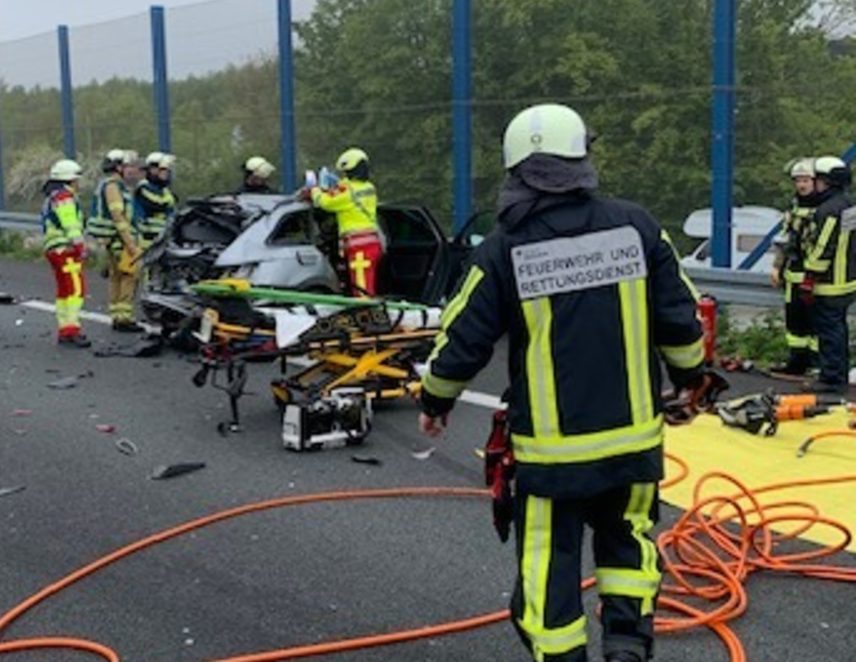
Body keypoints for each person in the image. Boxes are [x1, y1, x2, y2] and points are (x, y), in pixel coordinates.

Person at [417, 103, 706, 662]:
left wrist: (436, 400)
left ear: (516, 168)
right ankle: (627, 650)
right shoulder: (637, 226)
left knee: (549, 565)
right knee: (628, 549)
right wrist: (691, 378)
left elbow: (463, 340)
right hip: (633, 443)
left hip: (553, 458)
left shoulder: (505, 246)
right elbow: (682, 321)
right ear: (581, 161)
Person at [800, 155, 855, 394]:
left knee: (829, 330)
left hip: (829, 282)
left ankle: (831, 378)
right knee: (839, 329)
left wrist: (810, 278)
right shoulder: (849, 206)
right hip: (848, 280)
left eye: (819, 180)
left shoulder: (828, 210)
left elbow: (823, 248)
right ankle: (838, 372)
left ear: (828, 182)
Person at [769, 157, 819, 377]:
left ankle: (817, 364)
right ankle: (797, 363)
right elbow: (785, 239)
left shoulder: (826, 209)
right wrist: (776, 267)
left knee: (816, 323)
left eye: (806, 180)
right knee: (795, 322)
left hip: (816, 276)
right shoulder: (794, 207)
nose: (801, 185)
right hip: (793, 275)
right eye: (798, 180)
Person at [309, 148, 382, 296]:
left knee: (362, 289)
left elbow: (325, 203)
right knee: (366, 283)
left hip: (359, 245)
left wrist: (314, 189)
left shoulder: (347, 192)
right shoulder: (369, 188)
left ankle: (366, 315)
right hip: (372, 243)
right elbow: (346, 190)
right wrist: (337, 185)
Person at [87, 149, 145, 332]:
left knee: (116, 276)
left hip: (112, 239)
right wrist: (131, 245)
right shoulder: (114, 186)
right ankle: (124, 318)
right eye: (126, 166)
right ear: (118, 167)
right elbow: (118, 217)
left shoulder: (108, 185)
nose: (129, 170)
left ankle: (117, 316)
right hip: (119, 239)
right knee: (129, 275)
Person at [41, 159, 91, 348]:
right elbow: (70, 224)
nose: (78, 183)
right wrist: (81, 247)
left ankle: (65, 329)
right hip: (65, 249)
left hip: (54, 249)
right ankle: (72, 330)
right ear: (69, 180)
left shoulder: (53, 196)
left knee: (64, 290)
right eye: (76, 179)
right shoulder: (64, 198)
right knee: (75, 289)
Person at [134, 151, 177, 253]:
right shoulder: (143, 188)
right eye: (162, 170)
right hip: (146, 242)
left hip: (162, 240)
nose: (166, 173)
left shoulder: (164, 190)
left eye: (167, 170)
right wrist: (171, 201)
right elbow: (158, 205)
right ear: (153, 170)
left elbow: (172, 209)